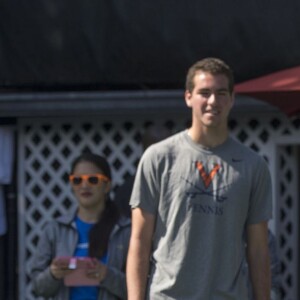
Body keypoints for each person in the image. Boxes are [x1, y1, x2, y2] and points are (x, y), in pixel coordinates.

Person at [126, 57, 272, 299]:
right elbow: (139, 241)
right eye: (204, 93)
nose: (213, 101)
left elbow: (258, 250)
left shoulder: (253, 166)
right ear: (188, 97)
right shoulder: (158, 158)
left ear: (232, 99)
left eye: (221, 93)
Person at [31, 152, 130, 300]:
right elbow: (37, 288)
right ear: (71, 185)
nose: (84, 185)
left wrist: (107, 275)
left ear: (107, 186)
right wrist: (53, 274)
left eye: (93, 180)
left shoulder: (126, 231)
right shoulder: (55, 229)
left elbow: (142, 289)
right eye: (77, 180)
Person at [114, 123, 172, 218]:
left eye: (166, 149)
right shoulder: (127, 192)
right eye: (154, 150)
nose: (160, 156)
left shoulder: (186, 186)